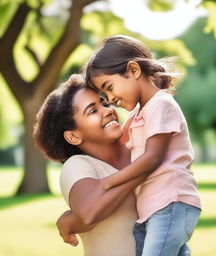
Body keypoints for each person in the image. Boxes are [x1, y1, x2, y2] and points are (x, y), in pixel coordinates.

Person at [83, 35, 201, 256]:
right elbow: (115, 144)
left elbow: (152, 158)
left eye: (109, 87)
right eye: (104, 94)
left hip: (171, 204)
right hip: (152, 209)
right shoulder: (139, 114)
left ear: (133, 70)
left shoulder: (161, 104)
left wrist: (106, 184)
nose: (110, 98)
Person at [33, 74, 152, 256]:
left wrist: (71, 220)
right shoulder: (78, 165)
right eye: (92, 111)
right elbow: (90, 211)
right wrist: (145, 168)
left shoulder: (141, 147)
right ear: (73, 136)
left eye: (104, 103)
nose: (107, 110)